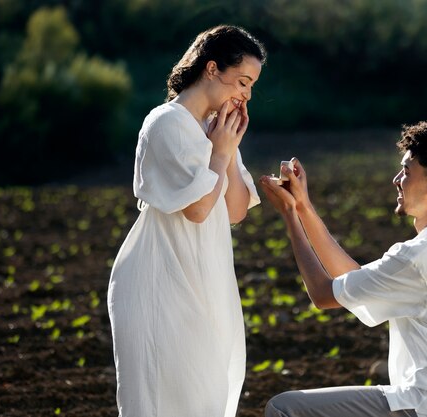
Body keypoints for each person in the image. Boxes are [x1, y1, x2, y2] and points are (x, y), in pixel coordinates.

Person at [259, 120, 427, 417]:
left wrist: (290, 218)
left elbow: (323, 294)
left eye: (407, 172)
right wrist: (303, 207)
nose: (397, 179)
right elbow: (353, 279)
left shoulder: (419, 257)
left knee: (284, 409)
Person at [107, 25, 266, 417]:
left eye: (251, 87)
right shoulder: (165, 122)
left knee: (206, 396)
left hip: (202, 278)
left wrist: (226, 151)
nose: (246, 95)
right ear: (212, 69)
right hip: (160, 281)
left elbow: (235, 211)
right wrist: (219, 154)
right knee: (167, 398)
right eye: (243, 82)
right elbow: (196, 210)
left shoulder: (215, 131)